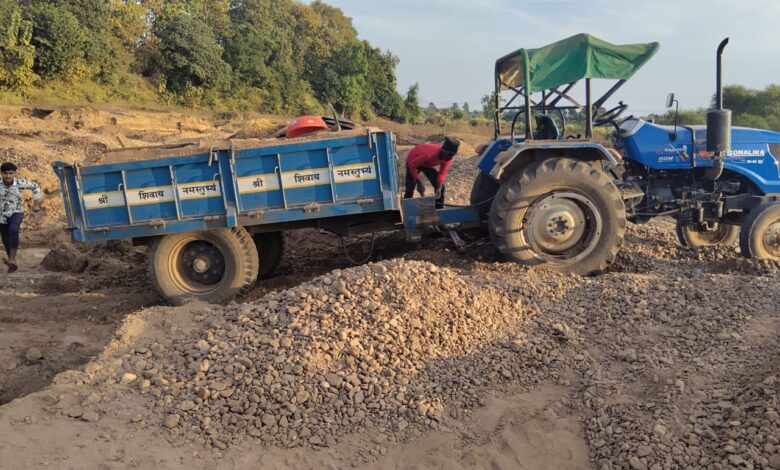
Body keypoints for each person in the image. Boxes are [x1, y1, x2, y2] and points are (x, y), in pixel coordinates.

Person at [0, 162, 41, 273]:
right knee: (5, 238)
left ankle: (12, 258)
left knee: (14, 229)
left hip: (16, 212)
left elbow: (35, 187)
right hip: (1, 215)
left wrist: (36, 204)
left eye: (10, 173)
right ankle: (11, 261)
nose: (8, 176)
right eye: (5, 173)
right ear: (1, 173)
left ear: (15, 174)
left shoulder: (19, 183)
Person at [403, 136, 460, 208]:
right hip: (413, 160)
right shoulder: (428, 155)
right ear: (443, 151)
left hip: (427, 164)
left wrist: (438, 188)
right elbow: (412, 166)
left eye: (452, 155)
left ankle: (439, 210)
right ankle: (407, 210)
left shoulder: (448, 158)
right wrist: (419, 183)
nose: (450, 158)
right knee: (410, 188)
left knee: (441, 188)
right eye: (450, 155)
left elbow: (442, 172)